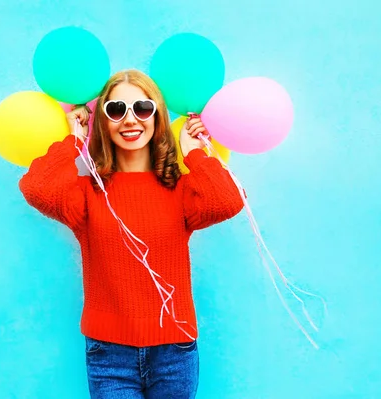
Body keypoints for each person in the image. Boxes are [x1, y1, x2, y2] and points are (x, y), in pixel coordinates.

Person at [19, 69, 244, 398]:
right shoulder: (88, 194)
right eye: (115, 110)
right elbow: (37, 188)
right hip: (110, 356)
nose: (130, 120)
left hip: (174, 353)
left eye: (142, 108)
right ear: (103, 121)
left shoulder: (180, 190)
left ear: (156, 117)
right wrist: (73, 140)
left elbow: (227, 201)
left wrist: (194, 152)